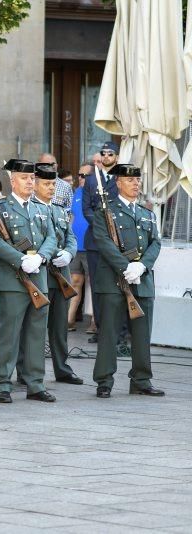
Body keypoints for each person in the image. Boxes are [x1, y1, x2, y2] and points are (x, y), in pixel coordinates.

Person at [0, 159, 57, 403]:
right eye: (24, 178)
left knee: (37, 333)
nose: (29, 182)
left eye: (32, 179)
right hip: (13, 281)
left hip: (39, 278)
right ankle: (3, 383)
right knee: (9, 334)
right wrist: (20, 259)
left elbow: (51, 238)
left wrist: (42, 258)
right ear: (12, 181)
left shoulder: (42, 208)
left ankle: (35, 383)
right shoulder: (0, 208)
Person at [92, 164, 163, 398]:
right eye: (130, 180)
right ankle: (104, 380)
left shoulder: (147, 214)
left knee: (142, 333)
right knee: (109, 333)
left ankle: (141, 380)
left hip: (141, 281)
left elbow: (155, 243)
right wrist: (126, 267)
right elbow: (103, 242)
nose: (136, 184)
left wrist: (141, 266)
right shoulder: (105, 211)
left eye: (137, 180)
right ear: (119, 183)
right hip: (114, 281)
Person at [30, 164, 82, 384]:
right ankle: (28, 369)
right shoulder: (29, 208)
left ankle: (62, 368)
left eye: (53, 184)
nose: (52, 188)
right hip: (38, 273)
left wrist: (69, 254)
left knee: (60, 325)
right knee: (33, 326)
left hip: (60, 274)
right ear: (35, 185)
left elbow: (70, 238)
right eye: (47, 184)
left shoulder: (59, 210)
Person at [82, 141, 120, 343]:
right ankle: (100, 329)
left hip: (116, 240)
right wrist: (100, 226)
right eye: (103, 153)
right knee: (97, 285)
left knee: (116, 284)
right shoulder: (90, 180)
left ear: (117, 157)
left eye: (110, 153)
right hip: (96, 239)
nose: (106, 157)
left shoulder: (121, 178)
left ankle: (117, 331)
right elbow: (86, 209)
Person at [68, 163, 92, 331]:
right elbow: (71, 217)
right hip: (76, 247)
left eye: (85, 175)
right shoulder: (76, 193)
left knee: (94, 285)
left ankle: (94, 323)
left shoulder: (97, 194)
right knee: (74, 282)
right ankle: (68, 321)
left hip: (92, 247)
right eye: (79, 175)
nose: (81, 178)